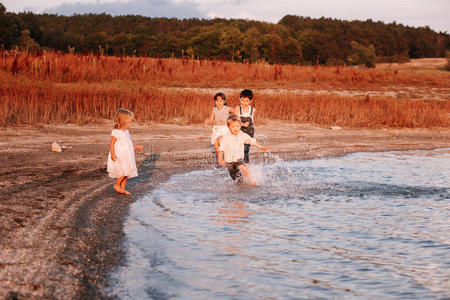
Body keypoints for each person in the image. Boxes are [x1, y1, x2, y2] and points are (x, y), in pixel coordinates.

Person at [217, 115, 271, 185]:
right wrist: (220, 160)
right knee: (238, 181)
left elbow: (252, 141)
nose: (235, 128)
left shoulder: (242, 135)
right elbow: (221, 149)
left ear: (240, 126)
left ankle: (251, 181)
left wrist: (261, 147)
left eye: (237, 126)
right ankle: (242, 187)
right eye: (233, 126)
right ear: (228, 127)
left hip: (239, 159)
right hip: (229, 163)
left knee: (243, 169)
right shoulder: (226, 137)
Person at [107, 108, 143, 195]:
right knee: (124, 171)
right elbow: (112, 143)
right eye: (129, 122)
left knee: (127, 173)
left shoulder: (126, 131)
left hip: (128, 155)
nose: (131, 124)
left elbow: (129, 142)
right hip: (120, 155)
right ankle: (117, 185)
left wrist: (136, 147)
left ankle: (122, 188)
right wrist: (112, 154)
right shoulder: (116, 132)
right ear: (123, 121)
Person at [204, 92, 234, 157]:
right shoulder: (214, 109)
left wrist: (234, 121)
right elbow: (211, 120)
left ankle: (228, 157)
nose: (219, 103)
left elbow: (236, 112)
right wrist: (208, 121)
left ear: (224, 101)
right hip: (216, 128)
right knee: (216, 146)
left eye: (221, 101)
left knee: (221, 141)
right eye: (217, 101)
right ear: (215, 101)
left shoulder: (227, 108)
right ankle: (220, 161)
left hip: (225, 128)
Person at [235, 89, 255, 163]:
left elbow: (253, 122)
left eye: (246, 101)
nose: (244, 102)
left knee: (245, 151)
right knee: (237, 150)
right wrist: (243, 124)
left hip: (249, 133)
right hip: (239, 132)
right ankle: (238, 166)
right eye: (242, 100)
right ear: (239, 99)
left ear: (251, 101)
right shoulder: (238, 108)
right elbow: (235, 120)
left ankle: (247, 167)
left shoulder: (253, 110)